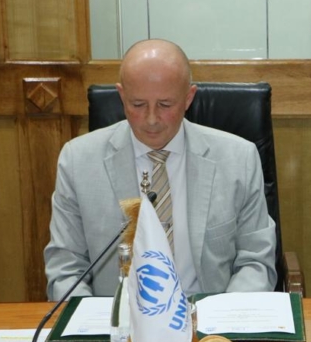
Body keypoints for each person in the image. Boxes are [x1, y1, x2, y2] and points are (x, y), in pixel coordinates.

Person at [45, 39, 277, 300]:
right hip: (117, 317)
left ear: (188, 98)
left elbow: (256, 261)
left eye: (165, 105)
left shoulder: (238, 159)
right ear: (121, 96)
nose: (152, 119)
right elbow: (66, 268)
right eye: (138, 104)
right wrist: (97, 320)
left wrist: (224, 318)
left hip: (210, 317)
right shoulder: (78, 161)